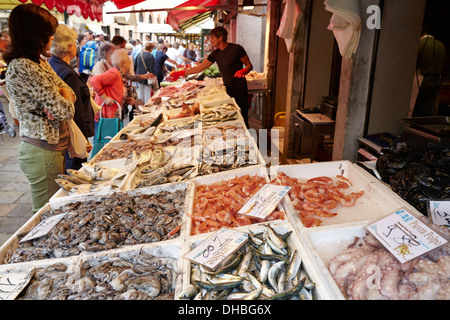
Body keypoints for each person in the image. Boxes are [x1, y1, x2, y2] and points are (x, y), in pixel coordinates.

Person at [4, 3, 75, 213]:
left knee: (53, 210)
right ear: (35, 35)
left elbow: (67, 91)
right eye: (49, 34)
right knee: (46, 215)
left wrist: (61, 96)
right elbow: (65, 110)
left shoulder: (39, 63)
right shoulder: (23, 66)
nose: (52, 39)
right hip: (42, 150)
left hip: (51, 148)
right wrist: (60, 98)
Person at [171, 26, 253, 127]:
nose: (210, 40)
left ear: (220, 38)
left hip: (240, 88)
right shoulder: (215, 54)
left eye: (213, 38)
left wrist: (244, 70)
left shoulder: (236, 49)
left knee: (243, 116)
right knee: (232, 118)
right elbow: (200, 68)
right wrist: (180, 73)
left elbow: (249, 65)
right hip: (227, 89)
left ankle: (249, 140)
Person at [49, 24, 95, 171]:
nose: (77, 46)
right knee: (75, 171)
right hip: (72, 134)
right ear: (70, 47)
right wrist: (82, 140)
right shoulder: (66, 72)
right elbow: (75, 111)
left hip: (63, 134)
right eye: (76, 42)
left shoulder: (54, 65)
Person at [90, 49, 134, 138]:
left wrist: (125, 100)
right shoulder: (114, 73)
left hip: (112, 117)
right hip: (105, 118)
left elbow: (115, 91)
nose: (130, 62)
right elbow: (94, 80)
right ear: (123, 62)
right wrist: (104, 97)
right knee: (104, 143)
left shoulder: (118, 73)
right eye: (128, 60)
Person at [413, 28, 447, 117]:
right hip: (436, 81)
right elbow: (444, 64)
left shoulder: (419, 45)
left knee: (417, 110)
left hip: (421, 82)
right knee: (428, 112)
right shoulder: (441, 45)